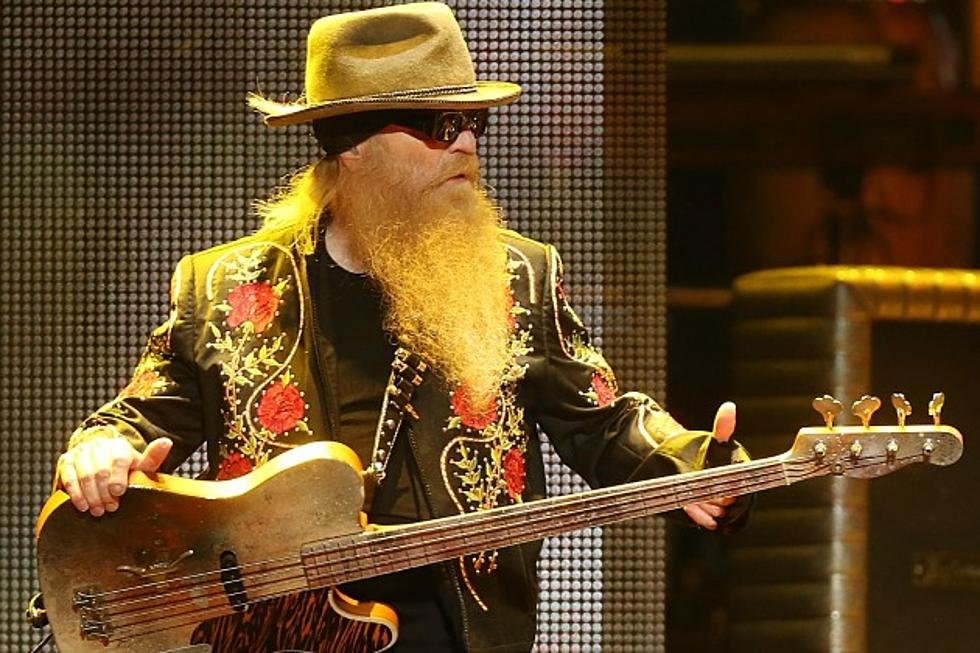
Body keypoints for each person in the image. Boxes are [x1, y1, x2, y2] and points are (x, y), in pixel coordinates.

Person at [53, 3, 749, 651]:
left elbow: (604, 422)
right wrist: (102, 451)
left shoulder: (519, 275)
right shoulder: (224, 286)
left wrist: (694, 463)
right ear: (355, 144)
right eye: (441, 126)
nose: (468, 145)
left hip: (459, 630)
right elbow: (136, 419)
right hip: (276, 631)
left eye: (475, 125)